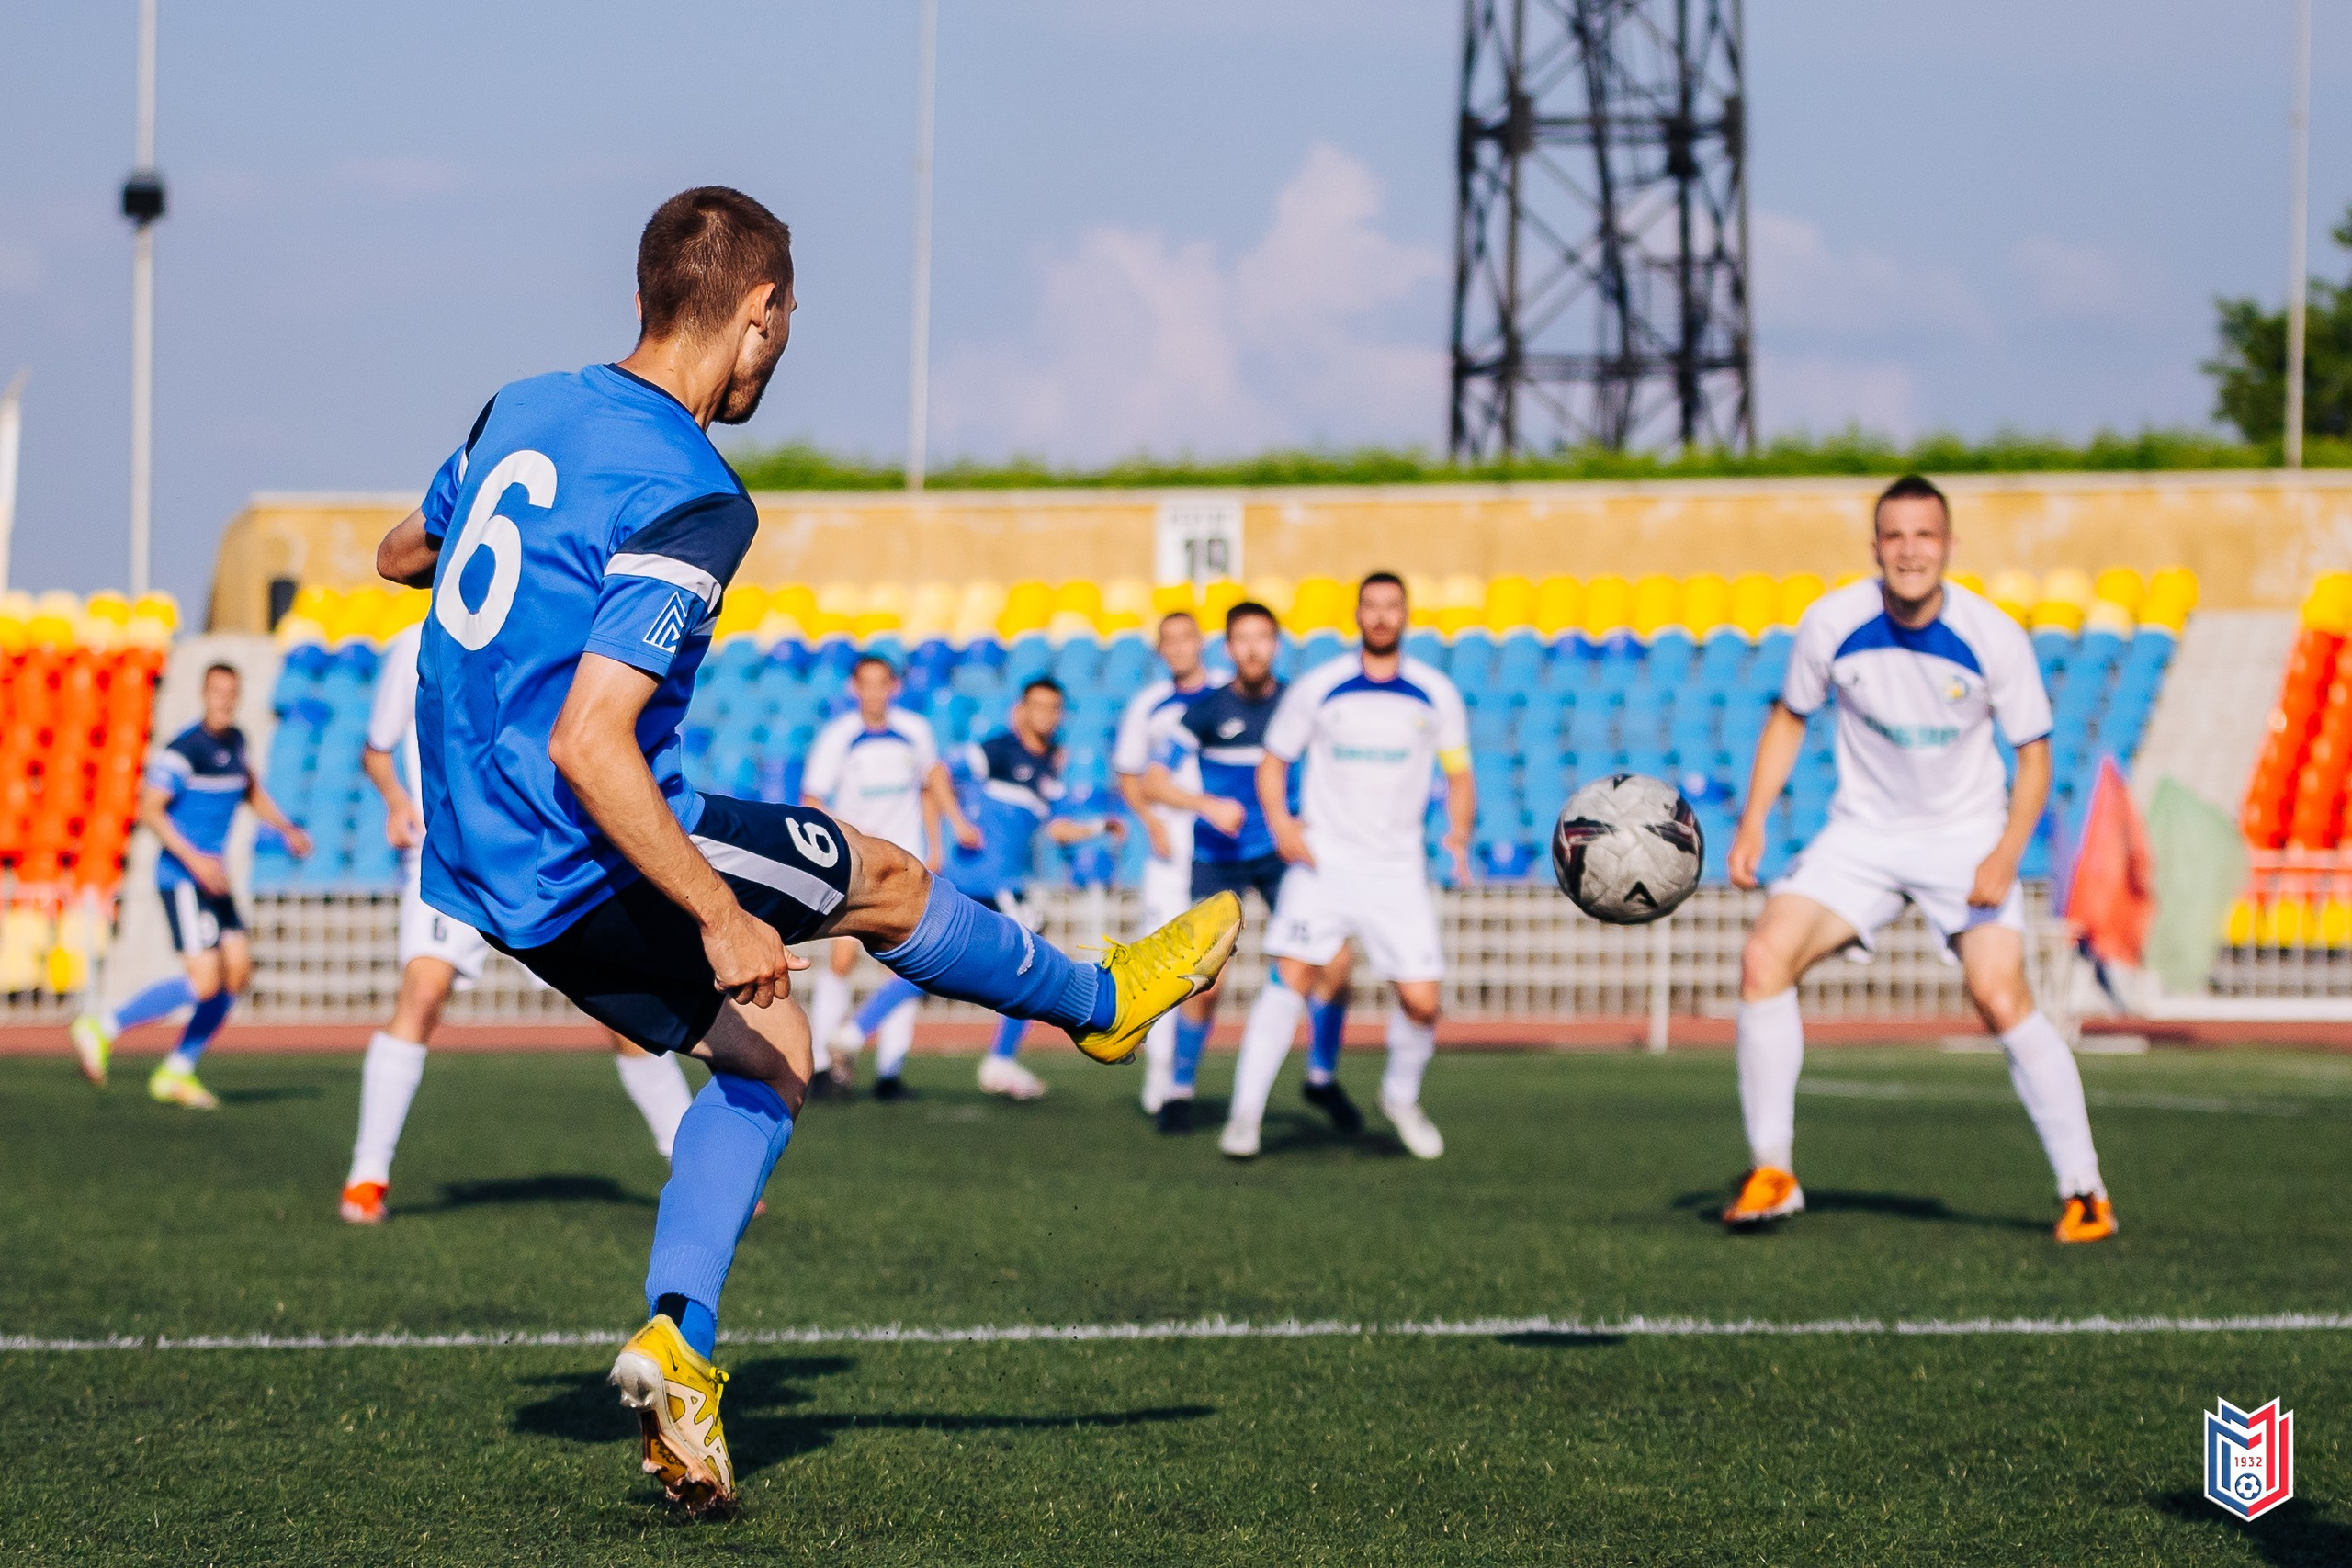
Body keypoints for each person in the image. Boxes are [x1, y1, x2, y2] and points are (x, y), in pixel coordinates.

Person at [370, 186, 1239, 1515]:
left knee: (772, 1054)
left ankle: (681, 1339)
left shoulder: (520, 405)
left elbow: (404, 552)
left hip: (477, 853)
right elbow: (594, 744)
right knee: (882, 879)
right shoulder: (696, 491)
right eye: (789, 323)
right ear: (759, 315)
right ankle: (1101, 1005)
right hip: (576, 836)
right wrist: (720, 914)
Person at [1724, 474, 2116, 1244]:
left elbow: (2034, 759)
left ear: (1949, 546)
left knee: (2000, 996)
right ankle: (1772, 1171)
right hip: (1861, 834)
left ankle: (2085, 1190)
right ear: (1875, 548)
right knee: (1763, 956)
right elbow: (1788, 718)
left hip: (1966, 834)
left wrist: (2006, 854)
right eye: (1894, 536)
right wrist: (1753, 822)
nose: (1910, 551)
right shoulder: (1831, 622)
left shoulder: (1992, 634)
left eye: (1924, 536)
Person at [337, 621, 698, 1224]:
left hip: (550, 853)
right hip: (453, 850)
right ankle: (367, 1175)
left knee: (625, 1012)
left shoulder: (555, 618)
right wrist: (400, 803)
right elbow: (378, 749)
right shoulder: (416, 639)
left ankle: (693, 1166)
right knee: (422, 993)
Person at [1220, 573, 1474, 1161]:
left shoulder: (1435, 692)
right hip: (1325, 863)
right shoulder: (1320, 687)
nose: (1382, 616)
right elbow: (1273, 760)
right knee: (1290, 977)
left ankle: (1399, 1097)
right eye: (1372, 606)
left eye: (1392, 606)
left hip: (1398, 869)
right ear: (1357, 614)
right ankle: (1244, 1117)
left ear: (1407, 614)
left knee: (1422, 1002)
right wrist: (1282, 824)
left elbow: (1459, 774)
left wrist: (1457, 834)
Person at [1140, 601, 1354, 1134]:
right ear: (1229, 648)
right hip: (1219, 857)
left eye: (1264, 637)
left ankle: (1322, 1076)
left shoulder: (1299, 704)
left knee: (1336, 962)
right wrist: (1206, 805)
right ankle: (1180, 1088)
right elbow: (1152, 781)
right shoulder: (1206, 710)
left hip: (1283, 854)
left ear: (1277, 644)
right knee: (1205, 981)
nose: (1254, 648)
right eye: (1243, 638)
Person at [71, 662, 312, 1107]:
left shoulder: (237, 742)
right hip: (183, 877)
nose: (224, 700)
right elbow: (150, 811)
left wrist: (286, 829)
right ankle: (103, 1024)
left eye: (231, 693)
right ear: (204, 694)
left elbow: (251, 790)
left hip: (213, 879)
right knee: (204, 982)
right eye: (217, 692)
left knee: (237, 973)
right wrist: (195, 860)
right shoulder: (184, 749)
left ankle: (178, 1070)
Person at [933, 676, 1128, 1100]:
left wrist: (1098, 826)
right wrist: (958, 823)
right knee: (1033, 955)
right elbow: (937, 773)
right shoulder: (999, 750)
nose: (1045, 715)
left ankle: (854, 1034)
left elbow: (1056, 829)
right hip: (989, 877)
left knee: (940, 957)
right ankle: (1001, 1060)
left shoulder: (1046, 767)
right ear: (1022, 709)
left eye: (1053, 708)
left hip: (1006, 881)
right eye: (1037, 706)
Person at [797, 654, 971, 1100]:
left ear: (894, 687)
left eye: (882, 683)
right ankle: (819, 1063)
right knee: (842, 959)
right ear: (854, 689)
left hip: (907, 865)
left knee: (908, 963)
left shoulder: (915, 730)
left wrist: (939, 841)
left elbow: (932, 783)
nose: (874, 692)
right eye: (865, 684)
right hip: (856, 864)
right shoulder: (839, 736)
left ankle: (890, 1072)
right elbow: (811, 800)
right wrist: (852, 835)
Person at [1112, 611, 1212, 1113]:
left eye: (1184, 638)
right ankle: (1161, 1074)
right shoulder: (1148, 706)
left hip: (1218, 842)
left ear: (1201, 642)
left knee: (1207, 963)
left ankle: (1182, 1076)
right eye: (1167, 640)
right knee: (1164, 962)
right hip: (1169, 845)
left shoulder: (1223, 697)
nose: (1177, 647)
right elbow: (1129, 776)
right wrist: (1151, 822)